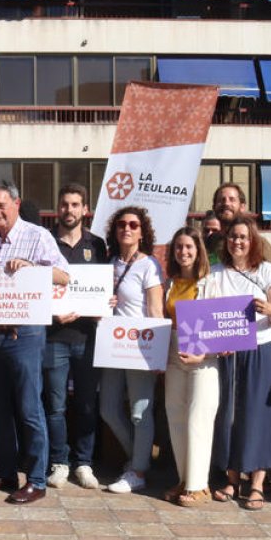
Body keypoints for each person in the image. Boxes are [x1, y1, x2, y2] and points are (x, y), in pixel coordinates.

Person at [0, 180, 69, 505]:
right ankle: (6, 473)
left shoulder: (37, 236)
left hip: (25, 334)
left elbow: (65, 275)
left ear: (16, 203)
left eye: (2, 205)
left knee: (29, 409)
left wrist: (31, 268)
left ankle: (36, 480)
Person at [210, 215, 271, 510]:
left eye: (243, 237)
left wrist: (268, 307)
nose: (237, 241)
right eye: (232, 237)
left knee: (259, 414)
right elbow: (207, 318)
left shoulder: (267, 271)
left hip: (261, 349)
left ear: (252, 240)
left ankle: (257, 484)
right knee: (227, 414)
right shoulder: (215, 272)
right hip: (227, 353)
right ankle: (231, 479)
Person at [43, 184, 109, 490]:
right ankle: (59, 461)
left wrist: (105, 302)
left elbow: (104, 286)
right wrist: (50, 312)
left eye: (75, 205)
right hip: (54, 336)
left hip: (87, 337)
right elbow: (36, 288)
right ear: (58, 208)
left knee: (86, 404)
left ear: (85, 210)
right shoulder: (45, 243)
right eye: (65, 204)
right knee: (54, 405)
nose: (69, 210)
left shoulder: (97, 245)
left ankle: (84, 462)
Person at [98, 206, 165, 495]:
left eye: (134, 224)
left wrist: (157, 354)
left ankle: (137, 471)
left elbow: (155, 310)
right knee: (109, 409)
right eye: (122, 224)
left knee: (140, 412)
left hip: (140, 347)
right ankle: (138, 457)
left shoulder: (149, 265)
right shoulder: (108, 263)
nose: (127, 228)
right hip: (112, 346)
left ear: (142, 231)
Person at [163, 227, 220, 507]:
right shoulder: (169, 283)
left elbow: (226, 327)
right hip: (174, 355)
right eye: (178, 248)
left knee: (199, 419)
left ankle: (200, 485)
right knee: (176, 417)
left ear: (198, 251)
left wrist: (205, 354)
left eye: (189, 247)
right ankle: (184, 479)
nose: (183, 252)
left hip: (204, 360)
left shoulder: (211, 282)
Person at [210, 183, 271, 266]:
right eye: (221, 200)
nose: (226, 203)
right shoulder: (209, 242)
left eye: (232, 199)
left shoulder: (259, 243)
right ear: (214, 207)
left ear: (242, 207)